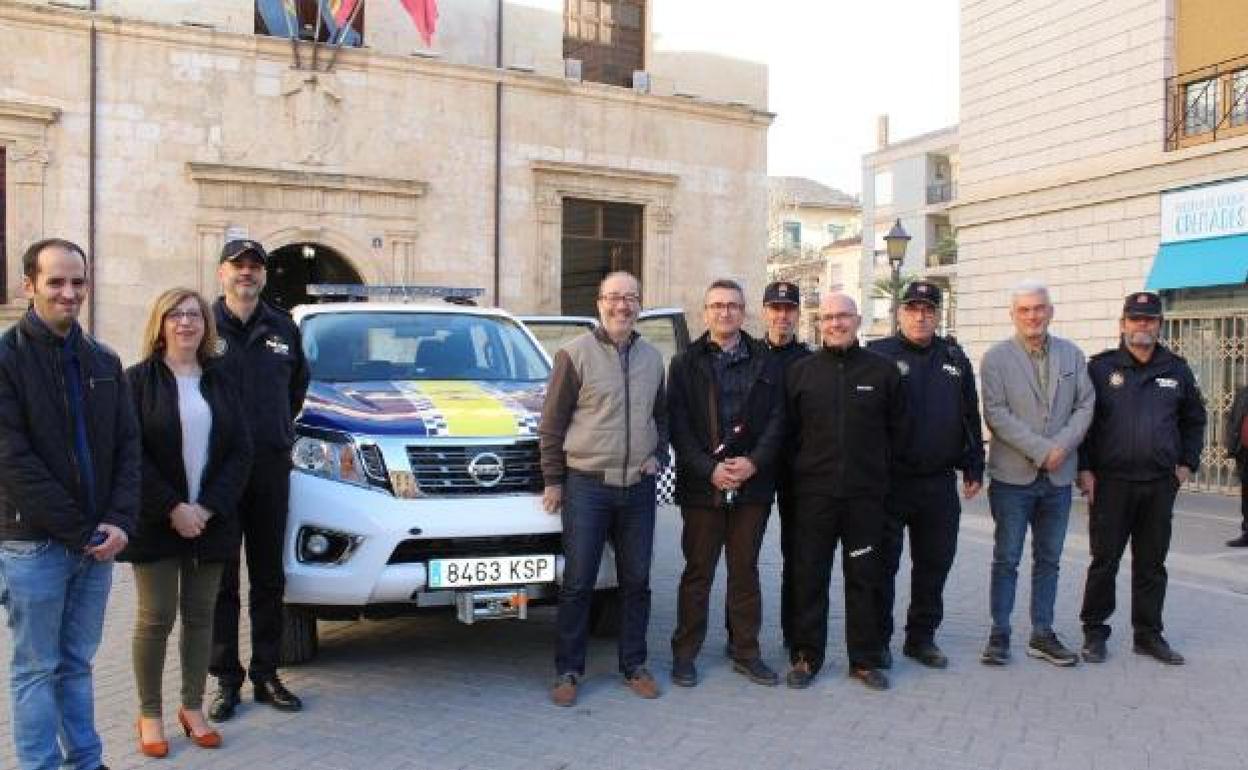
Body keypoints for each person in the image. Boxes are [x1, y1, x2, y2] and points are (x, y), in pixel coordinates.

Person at [0, 237, 140, 770]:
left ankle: (85, 760)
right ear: (29, 286)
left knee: (77, 664)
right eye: (55, 282)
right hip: (32, 546)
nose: (68, 293)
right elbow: (12, 461)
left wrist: (120, 521)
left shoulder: (103, 360)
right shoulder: (6, 360)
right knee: (36, 668)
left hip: (97, 545)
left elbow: (129, 448)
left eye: (77, 282)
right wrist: (83, 530)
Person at [121, 289, 253, 756]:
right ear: (160, 324)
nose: (185, 323)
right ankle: (150, 713)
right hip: (156, 521)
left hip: (212, 521)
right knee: (155, 617)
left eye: (194, 315)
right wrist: (174, 507)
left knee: (202, 617)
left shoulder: (222, 381)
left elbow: (241, 451)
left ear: (205, 325)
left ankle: (192, 707)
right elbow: (129, 453)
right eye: (175, 315)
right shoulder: (135, 382)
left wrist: (207, 507)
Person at [539, 270, 668, 707]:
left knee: (637, 580)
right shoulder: (573, 355)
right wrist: (554, 479)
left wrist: (660, 455)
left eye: (630, 297)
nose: (622, 305)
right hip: (587, 487)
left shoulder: (654, 358)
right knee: (578, 582)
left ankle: (634, 664)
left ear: (639, 305)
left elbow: (662, 418)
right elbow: (552, 424)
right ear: (599, 303)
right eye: (614, 297)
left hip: (637, 488)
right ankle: (568, 670)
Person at [784, 292, 908, 691]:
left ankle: (865, 660)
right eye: (828, 317)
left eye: (844, 317)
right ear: (819, 323)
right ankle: (806, 656)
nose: (836, 324)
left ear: (858, 321)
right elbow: (788, 436)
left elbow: (899, 435)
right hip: (814, 499)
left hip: (865, 500)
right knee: (809, 577)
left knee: (865, 578)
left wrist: (883, 485)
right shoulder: (801, 373)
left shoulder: (883, 372)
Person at [208, 240, 310, 721]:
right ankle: (225, 679)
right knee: (221, 579)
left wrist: (273, 432)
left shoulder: (284, 328)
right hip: (217, 471)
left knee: (268, 575)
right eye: (238, 265)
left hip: (269, 468)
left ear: (264, 276)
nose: (246, 273)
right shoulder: (201, 325)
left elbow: (296, 389)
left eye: (254, 266)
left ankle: (267, 673)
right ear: (221, 271)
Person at [668, 279, 786, 687]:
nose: (725, 312)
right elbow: (677, 425)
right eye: (717, 306)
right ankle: (684, 654)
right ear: (705, 312)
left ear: (744, 311)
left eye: (733, 306)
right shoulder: (685, 362)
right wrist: (707, 468)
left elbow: (778, 421)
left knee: (745, 571)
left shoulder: (766, 360)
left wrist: (753, 463)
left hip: (752, 485)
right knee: (698, 572)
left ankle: (746, 651)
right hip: (703, 487)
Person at [1077, 291, 1205, 665]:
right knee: (1104, 561)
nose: (1142, 325)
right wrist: (1084, 469)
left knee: (1151, 563)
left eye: (1149, 319)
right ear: (1122, 324)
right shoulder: (1100, 369)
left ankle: (1148, 635)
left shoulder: (1176, 369)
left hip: (1158, 484)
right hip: (1110, 483)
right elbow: (1083, 424)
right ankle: (1095, 633)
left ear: (1160, 325)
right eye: (1135, 319)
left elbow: (1195, 420)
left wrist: (1186, 465)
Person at [867, 281, 984, 669]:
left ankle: (921, 638)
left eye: (928, 309)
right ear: (900, 313)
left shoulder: (954, 357)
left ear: (937, 314)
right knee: (883, 566)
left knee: (934, 565)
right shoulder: (878, 355)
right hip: (890, 483)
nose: (920, 315)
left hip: (937, 483)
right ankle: (878, 641)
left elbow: (970, 413)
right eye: (913, 308)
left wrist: (974, 464)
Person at [979, 280, 1094, 667]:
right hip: (1014, 478)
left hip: (1059, 480)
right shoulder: (995, 359)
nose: (1033, 316)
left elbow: (1086, 406)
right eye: (1025, 310)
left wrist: (1061, 448)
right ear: (1013, 315)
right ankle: (1000, 633)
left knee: (1050, 559)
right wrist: (1045, 451)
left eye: (1039, 308)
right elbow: (995, 413)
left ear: (1050, 311)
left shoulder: (1072, 355)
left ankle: (1042, 634)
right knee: (1006, 558)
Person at [757, 281, 811, 651]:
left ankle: (797, 638)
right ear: (765, 312)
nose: (782, 316)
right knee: (744, 558)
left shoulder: (810, 360)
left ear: (798, 314)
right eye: (775, 309)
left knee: (799, 557)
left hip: (798, 471)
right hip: (756, 468)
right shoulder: (748, 354)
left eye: (789, 309)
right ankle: (740, 637)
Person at [1224, 384, 1248, 547]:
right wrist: (1232, 445)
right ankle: (1247, 532)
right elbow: (1233, 419)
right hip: (1244, 450)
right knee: (1246, 493)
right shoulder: (1244, 392)